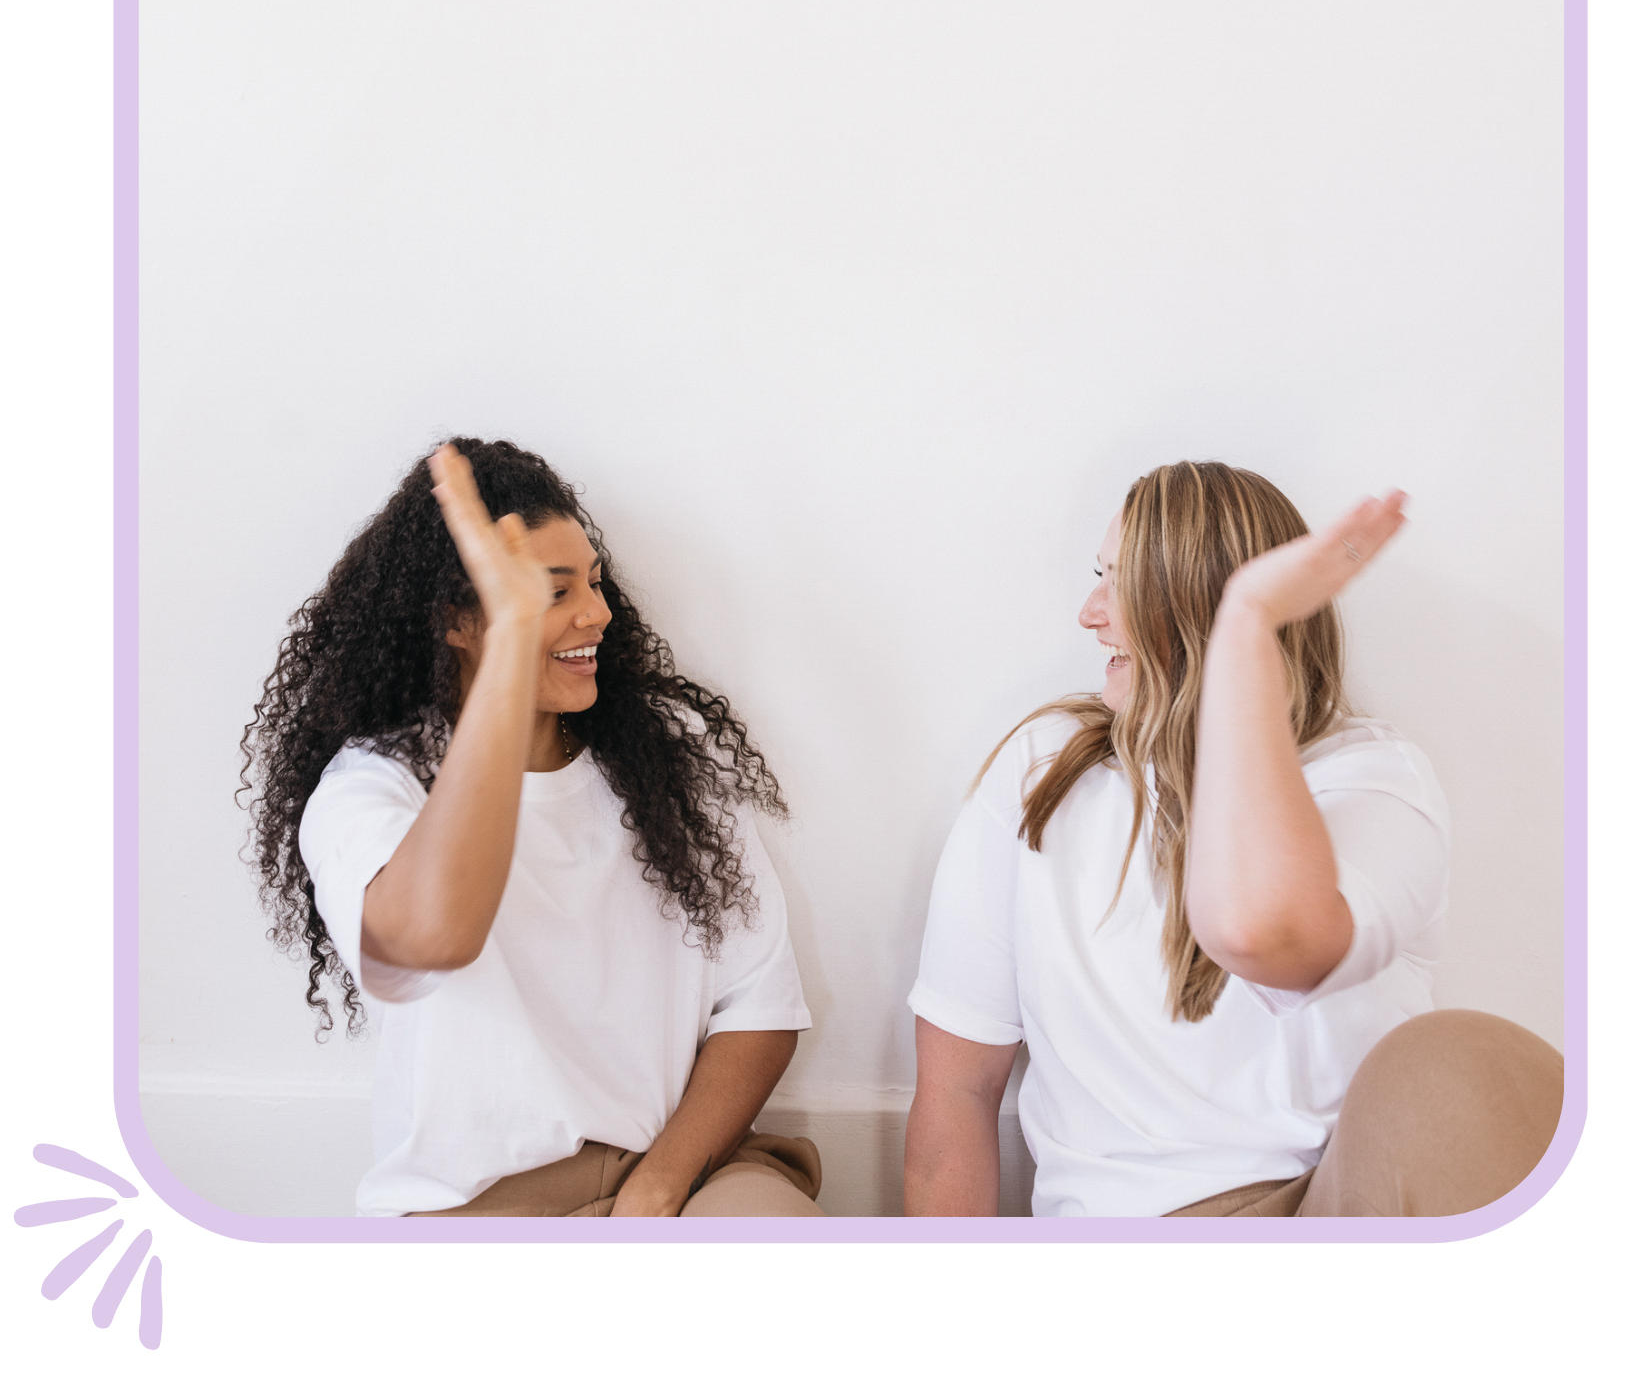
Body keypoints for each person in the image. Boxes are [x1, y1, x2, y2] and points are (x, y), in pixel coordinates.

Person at [903, 461, 1563, 1218]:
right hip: (1144, 1222)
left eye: (1122, 584)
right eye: (1098, 576)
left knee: (1461, 1059)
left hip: (1346, 1204)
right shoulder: (1040, 774)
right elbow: (958, 1090)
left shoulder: (1373, 780)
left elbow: (1259, 933)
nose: (1089, 613)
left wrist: (1247, 625)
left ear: (1196, 611)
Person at [240, 438, 822, 1218]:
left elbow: (758, 1009)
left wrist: (659, 1186)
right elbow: (433, 939)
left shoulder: (668, 764)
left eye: (595, 581)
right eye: (553, 593)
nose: (599, 612)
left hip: (686, 1175)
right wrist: (513, 644)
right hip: (488, 1208)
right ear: (458, 621)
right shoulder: (368, 791)